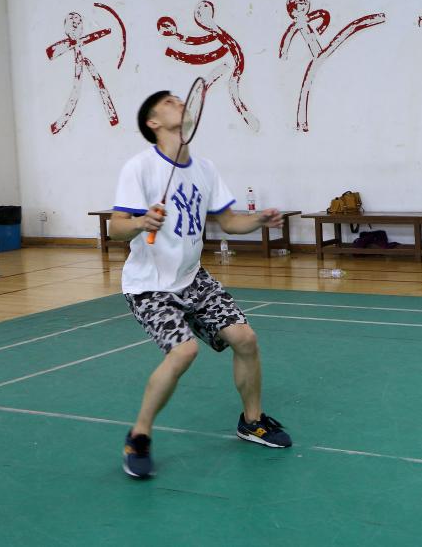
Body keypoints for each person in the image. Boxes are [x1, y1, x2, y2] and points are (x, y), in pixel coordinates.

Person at [110, 89, 291, 479]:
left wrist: (258, 220)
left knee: (245, 338)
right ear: (153, 123)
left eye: (180, 99)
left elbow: (229, 222)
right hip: (149, 285)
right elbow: (116, 228)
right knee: (184, 352)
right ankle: (139, 436)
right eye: (169, 102)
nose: (179, 102)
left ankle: (252, 421)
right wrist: (141, 222)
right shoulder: (140, 168)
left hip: (192, 277)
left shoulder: (205, 169)